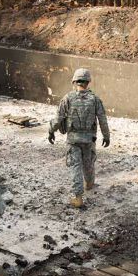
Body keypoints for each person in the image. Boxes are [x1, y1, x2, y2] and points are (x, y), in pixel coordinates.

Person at [48, 68, 110, 208]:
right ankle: (89, 183)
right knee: (88, 163)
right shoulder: (95, 99)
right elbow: (102, 119)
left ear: (74, 82)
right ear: (88, 82)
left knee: (75, 166)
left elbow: (58, 119)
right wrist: (106, 136)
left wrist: (51, 131)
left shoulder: (67, 98)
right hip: (89, 139)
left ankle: (78, 197)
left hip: (73, 140)